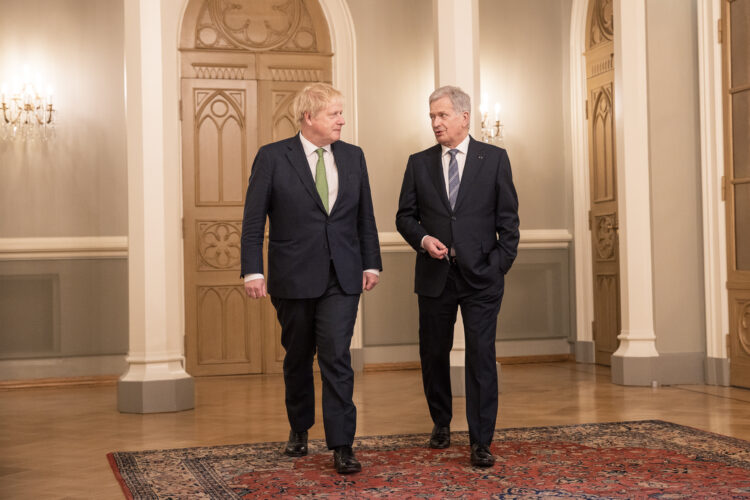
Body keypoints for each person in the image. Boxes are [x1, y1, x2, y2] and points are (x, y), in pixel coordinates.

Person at [241, 82, 382, 474]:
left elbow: (364, 215)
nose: (342, 120)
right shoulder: (272, 157)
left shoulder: (353, 157)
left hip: (343, 276)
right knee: (298, 357)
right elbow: (254, 221)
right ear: (308, 117)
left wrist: (372, 262)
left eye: (341, 112)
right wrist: (253, 269)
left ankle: (342, 445)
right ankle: (300, 428)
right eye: (334, 113)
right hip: (293, 277)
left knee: (337, 357)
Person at [396, 85, 519, 467]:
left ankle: (481, 440)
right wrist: (424, 238)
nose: (435, 122)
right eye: (432, 116)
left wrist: (497, 266)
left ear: (465, 117)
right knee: (433, 354)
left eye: (442, 115)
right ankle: (441, 423)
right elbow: (404, 216)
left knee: (481, 358)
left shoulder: (494, 158)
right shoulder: (419, 162)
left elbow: (509, 223)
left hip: (482, 277)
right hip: (435, 276)